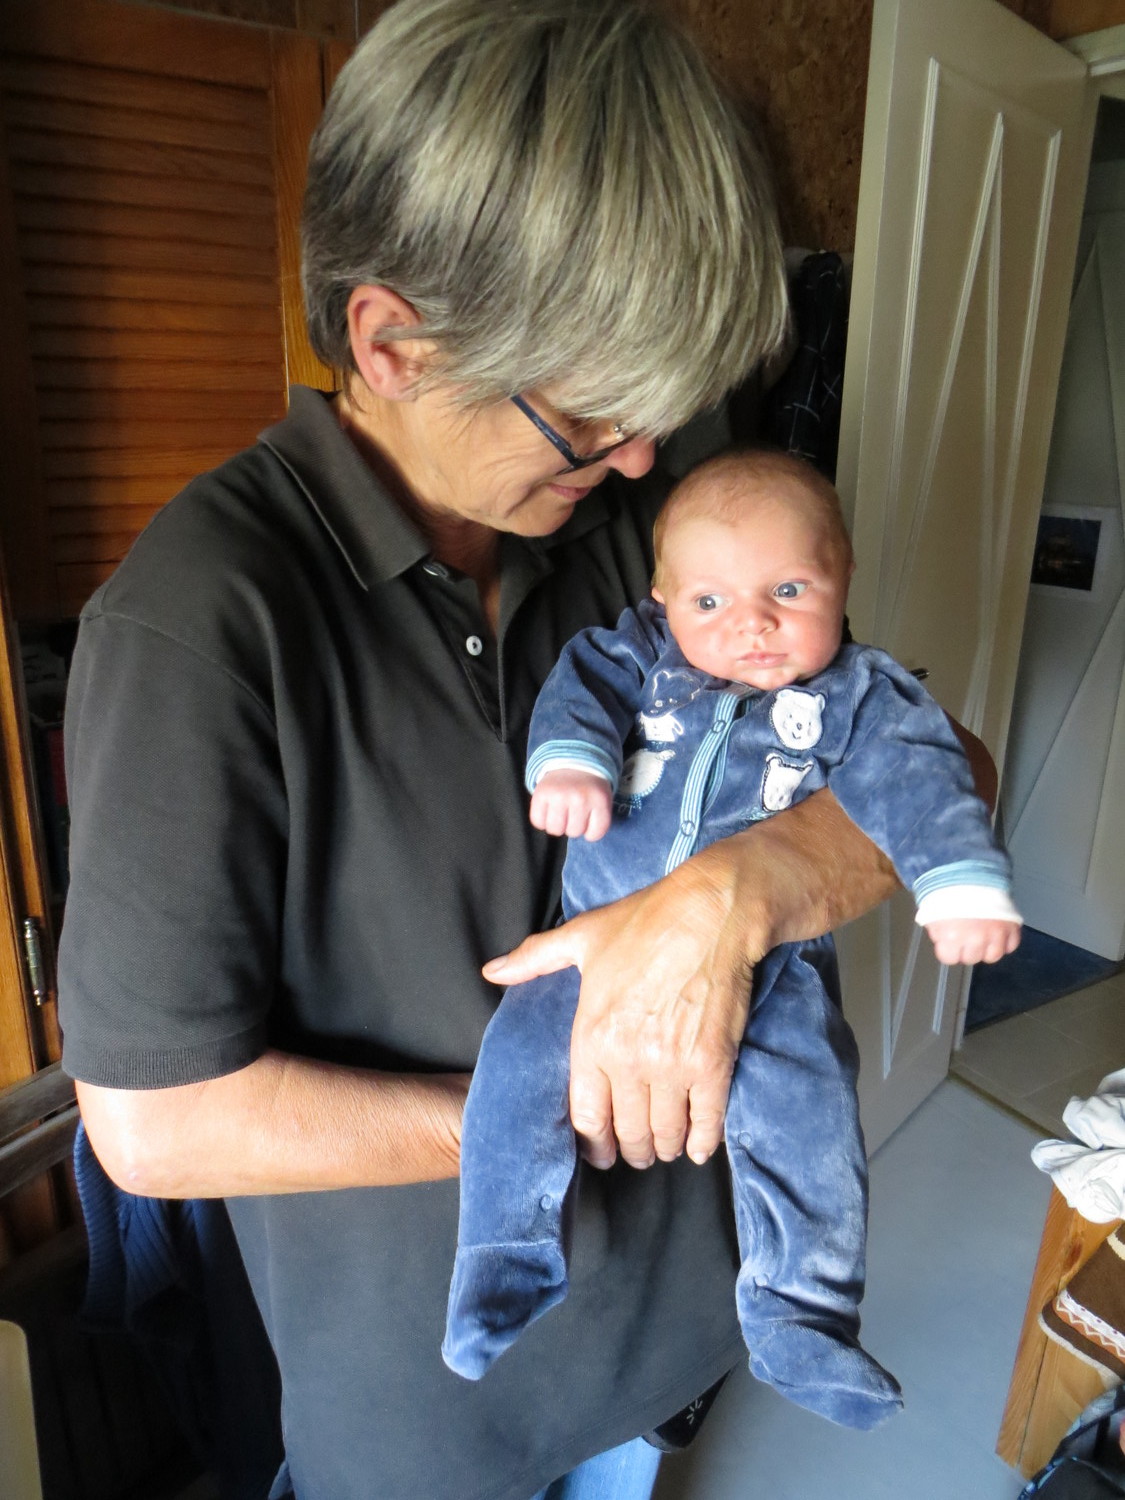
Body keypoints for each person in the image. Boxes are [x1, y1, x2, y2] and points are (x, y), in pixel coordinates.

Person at [57, 4, 985, 1497]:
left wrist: (739, 894)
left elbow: (947, 772)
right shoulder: (200, 622)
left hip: (673, 1336)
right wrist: (546, 1114)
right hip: (431, 1414)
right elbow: (159, 1128)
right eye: (594, 411)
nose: (642, 455)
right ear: (392, 343)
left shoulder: (639, 517)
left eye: (656, 408)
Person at [444, 450, 1021, 1429]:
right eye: (708, 602)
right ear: (662, 599)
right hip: (585, 953)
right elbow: (579, 689)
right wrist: (572, 763)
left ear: (842, 579)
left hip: (777, 972)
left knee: (809, 1124)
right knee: (513, 1076)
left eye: (787, 591)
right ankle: (503, 1259)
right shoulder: (636, 655)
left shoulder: (861, 695)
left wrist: (957, 884)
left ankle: (803, 1316)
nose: (749, 624)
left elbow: (924, 781)